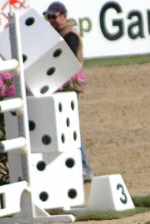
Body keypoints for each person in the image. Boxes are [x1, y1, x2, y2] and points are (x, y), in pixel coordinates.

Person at [44, 1, 93, 182]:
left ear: (64, 16)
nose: (52, 20)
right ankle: (81, 167)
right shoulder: (61, 34)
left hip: (69, 87)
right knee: (67, 127)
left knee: (69, 127)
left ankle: (84, 167)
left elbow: (67, 62)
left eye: (54, 17)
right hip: (64, 87)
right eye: (49, 17)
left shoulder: (69, 35)